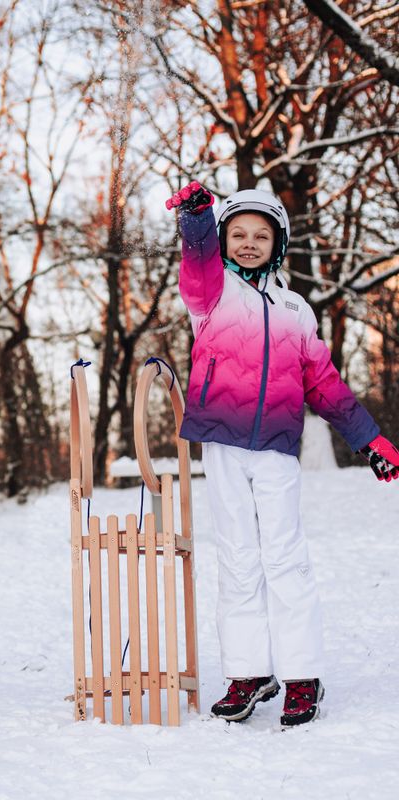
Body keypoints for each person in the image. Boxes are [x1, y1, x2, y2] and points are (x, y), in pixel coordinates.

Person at [165, 181, 399, 727]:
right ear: (225, 240)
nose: (248, 242)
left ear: (278, 244)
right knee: (238, 558)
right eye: (238, 234)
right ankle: (248, 672)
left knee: (285, 558)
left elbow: (325, 383)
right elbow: (196, 265)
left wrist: (370, 440)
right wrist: (197, 220)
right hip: (222, 445)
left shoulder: (296, 310)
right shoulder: (212, 295)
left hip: (275, 449)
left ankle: (301, 676)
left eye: (261, 235)